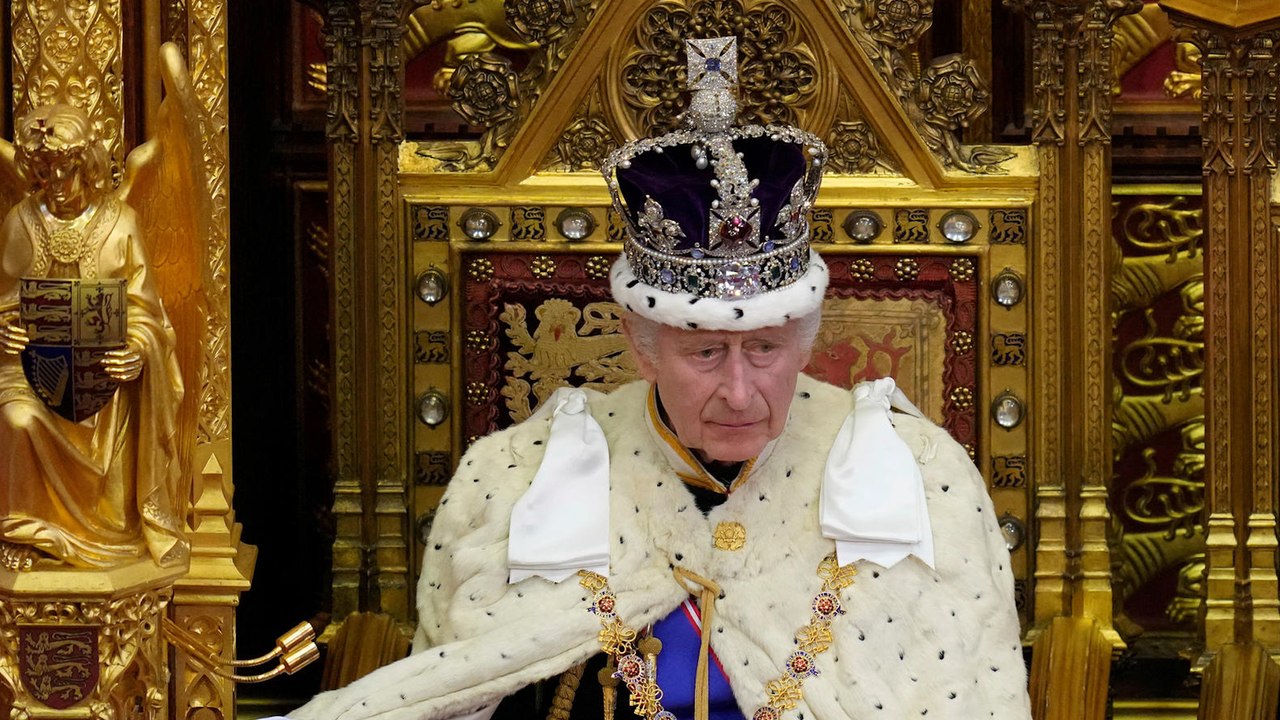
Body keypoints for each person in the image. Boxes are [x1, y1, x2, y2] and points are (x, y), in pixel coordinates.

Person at [294, 37, 1029, 720]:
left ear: (806, 342)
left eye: (765, 349)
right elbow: (459, 688)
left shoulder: (915, 472)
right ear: (642, 347)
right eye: (704, 354)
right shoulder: (523, 474)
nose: (738, 391)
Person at [0, 104, 187, 571]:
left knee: (115, 403)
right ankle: (26, 531)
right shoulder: (20, 222)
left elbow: (146, 312)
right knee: (16, 419)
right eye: (44, 172)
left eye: (65, 170)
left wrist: (137, 350)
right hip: (31, 371)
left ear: (87, 165)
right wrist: (4, 333)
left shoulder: (121, 222)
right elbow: (6, 304)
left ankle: (113, 527)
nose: (56, 184)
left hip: (103, 376)